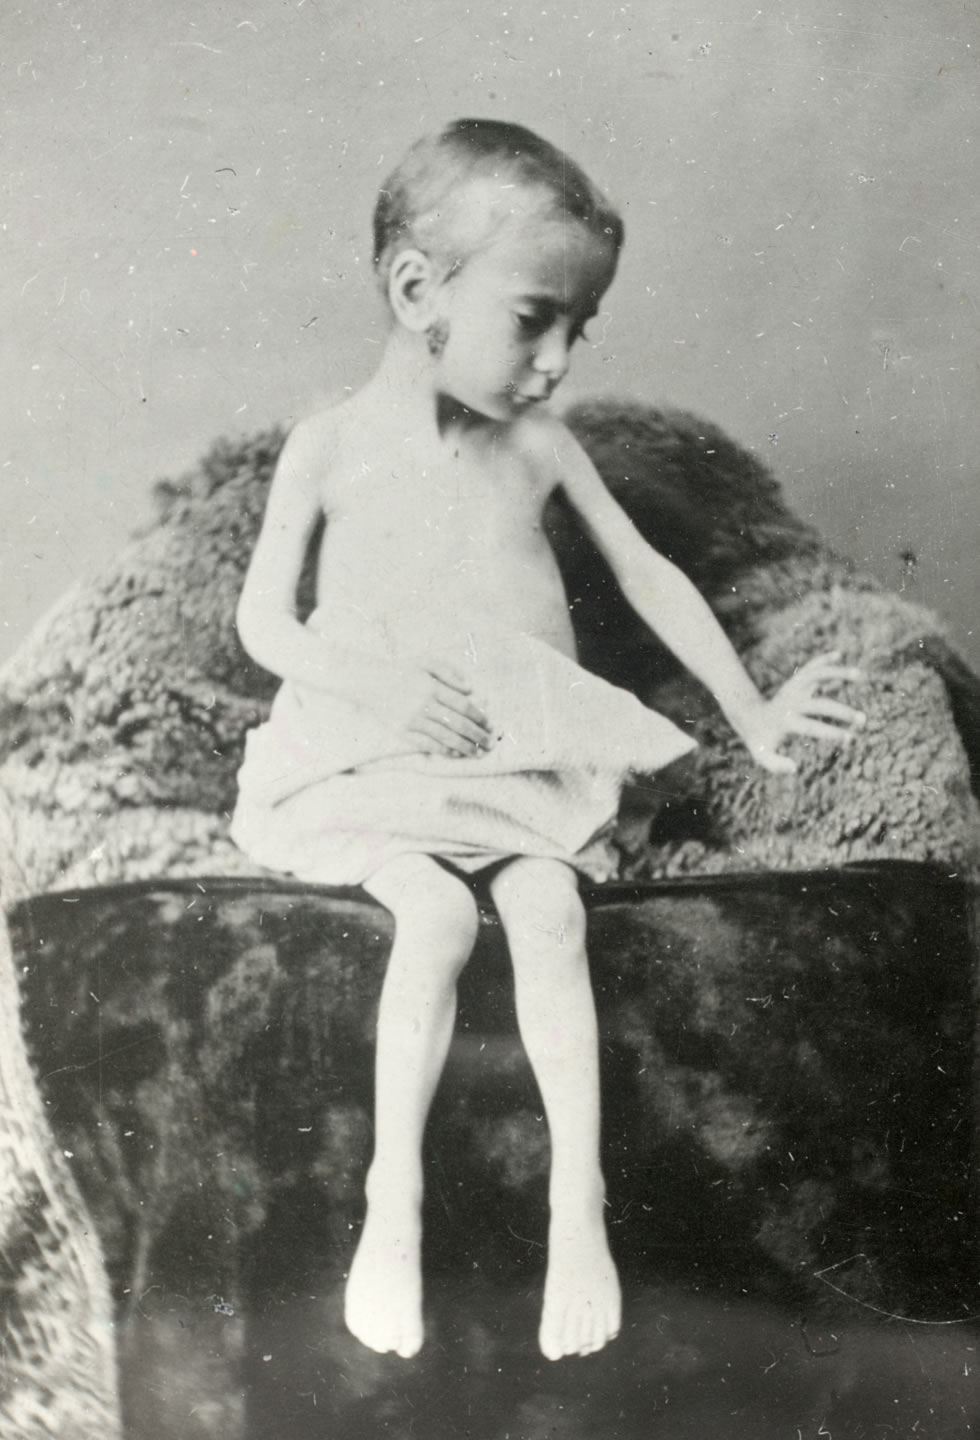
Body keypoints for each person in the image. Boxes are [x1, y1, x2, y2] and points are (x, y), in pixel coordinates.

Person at [231, 118, 864, 1363]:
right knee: (434, 917)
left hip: (515, 761)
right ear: (416, 290)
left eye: (579, 327)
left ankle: (582, 1212)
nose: (558, 360)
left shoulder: (537, 450)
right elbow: (264, 621)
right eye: (533, 320)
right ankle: (392, 1204)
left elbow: (647, 574)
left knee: (549, 914)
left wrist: (750, 710)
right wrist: (374, 689)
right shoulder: (330, 448)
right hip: (379, 759)